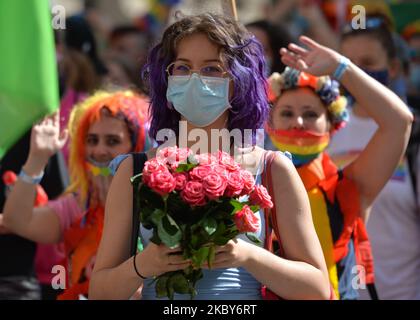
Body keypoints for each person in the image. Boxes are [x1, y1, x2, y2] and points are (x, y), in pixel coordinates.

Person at [89, 13, 331, 300]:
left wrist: (247, 257)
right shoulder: (135, 170)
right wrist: (144, 264)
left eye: (212, 69)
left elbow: (316, 289)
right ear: (166, 79)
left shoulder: (272, 169)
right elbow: (100, 293)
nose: (195, 79)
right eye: (182, 67)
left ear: (239, 82)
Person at [266, 28, 413, 299]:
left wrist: (341, 67)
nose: (298, 122)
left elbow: (399, 122)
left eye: (310, 114)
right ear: (269, 125)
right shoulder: (251, 181)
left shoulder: (349, 187)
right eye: (286, 113)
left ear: (333, 126)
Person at [2, 91, 150, 300]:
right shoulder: (79, 204)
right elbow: (16, 220)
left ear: (138, 146)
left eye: (112, 141)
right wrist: (38, 157)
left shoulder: (157, 202)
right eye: (92, 140)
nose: (99, 150)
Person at [327, 18, 420, 300]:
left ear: (392, 68)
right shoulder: (322, 130)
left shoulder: (414, 135)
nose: (356, 75)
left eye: (367, 63)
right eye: (348, 64)